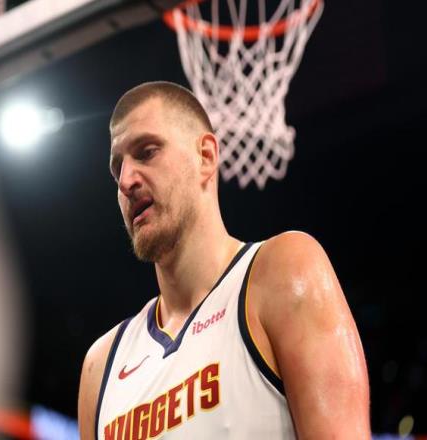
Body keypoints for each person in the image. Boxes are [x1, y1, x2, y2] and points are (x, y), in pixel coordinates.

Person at [78, 81, 371, 439]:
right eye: (116, 169)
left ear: (205, 157)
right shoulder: (101, 366)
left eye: (147, 152)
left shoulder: (281, 272)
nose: (126, 181)